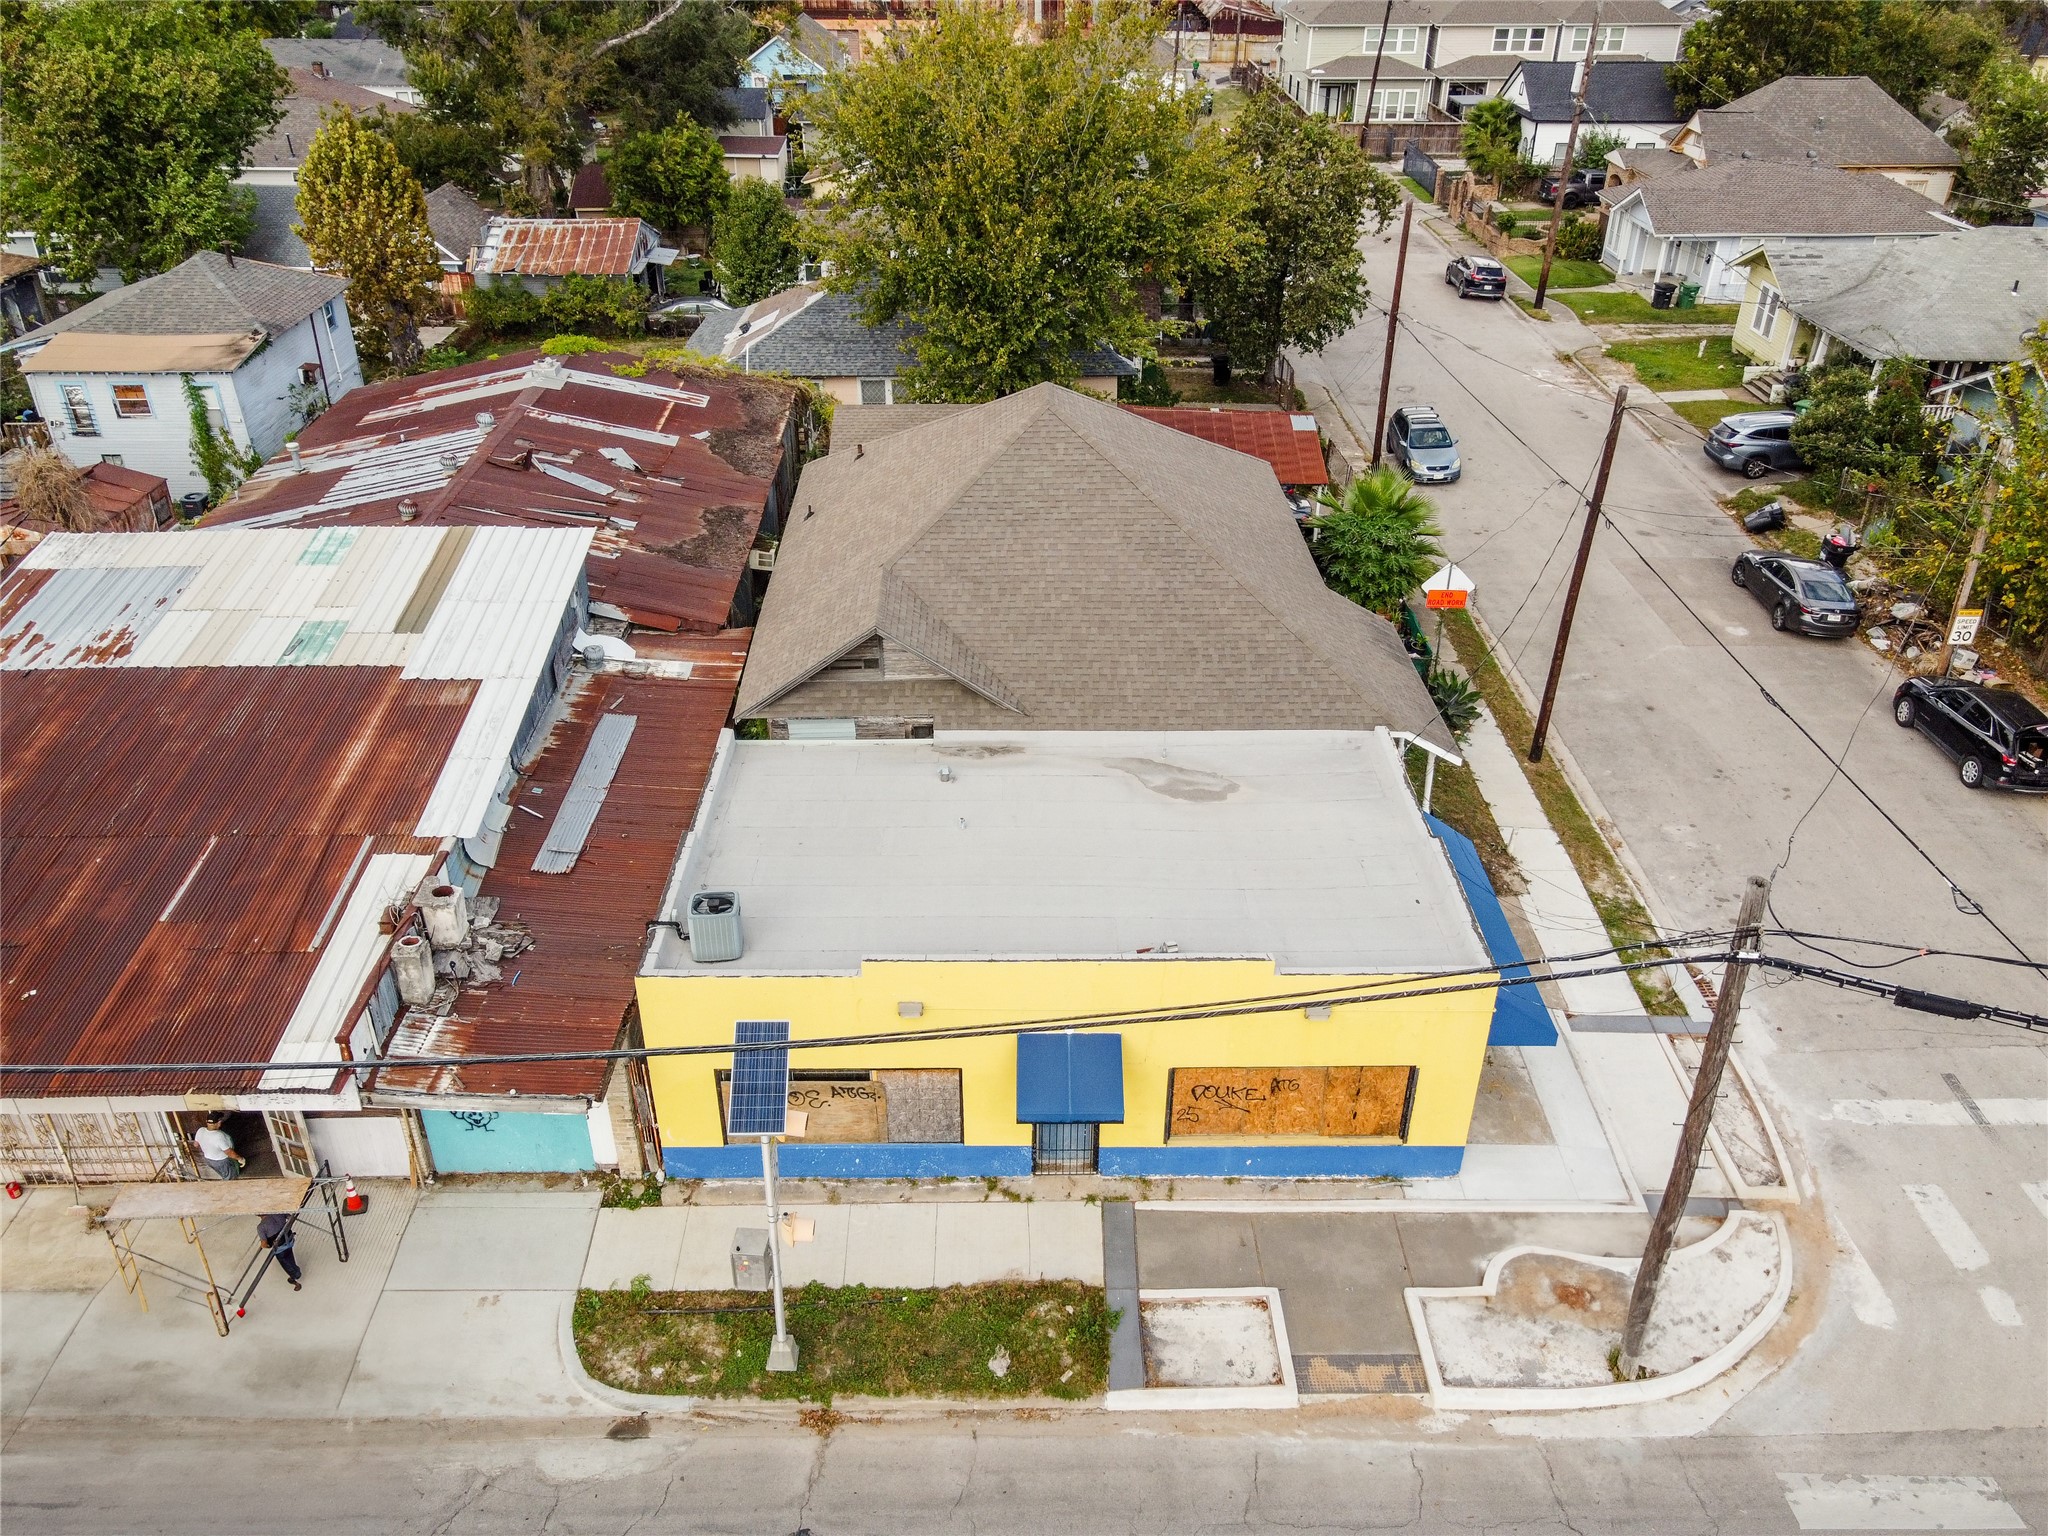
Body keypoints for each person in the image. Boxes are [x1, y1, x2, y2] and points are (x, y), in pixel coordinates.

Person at [256, 1212, 302, 1290]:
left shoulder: (261, 1227)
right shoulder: (278, 1213)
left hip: (280, 1249)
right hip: (289, 1240)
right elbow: (290, 1217)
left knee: (287, 1264)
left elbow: (264, 1244)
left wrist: (268, 1246)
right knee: (289, 1256)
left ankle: (295, 1276)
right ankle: (295, 1270)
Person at [193, 1113, 245, 1180]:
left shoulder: (201, 1130)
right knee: (230, 1178)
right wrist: (240, 1159)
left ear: (206, 1122)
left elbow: (196, 1145)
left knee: (224, 1175)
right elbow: (229, 1152)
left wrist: (208, 1146)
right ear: (219, 1122)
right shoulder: (219, 1135)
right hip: (222, 1161)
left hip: (209, 1160)